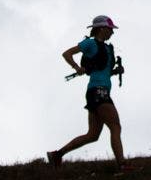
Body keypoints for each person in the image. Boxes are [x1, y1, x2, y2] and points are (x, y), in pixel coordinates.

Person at [47, 15, 127, 168]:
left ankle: (56, 155)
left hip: (96, 91)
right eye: (110, 29)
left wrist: (116, 71)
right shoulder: (90, 43)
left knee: (93, 135)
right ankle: (122, 163)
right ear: (102, 28)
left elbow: (102, 71)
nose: (112, 32)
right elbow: (67, 53)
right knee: (115, 126)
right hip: (99, 91)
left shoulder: (107, 48)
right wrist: (76, 68)